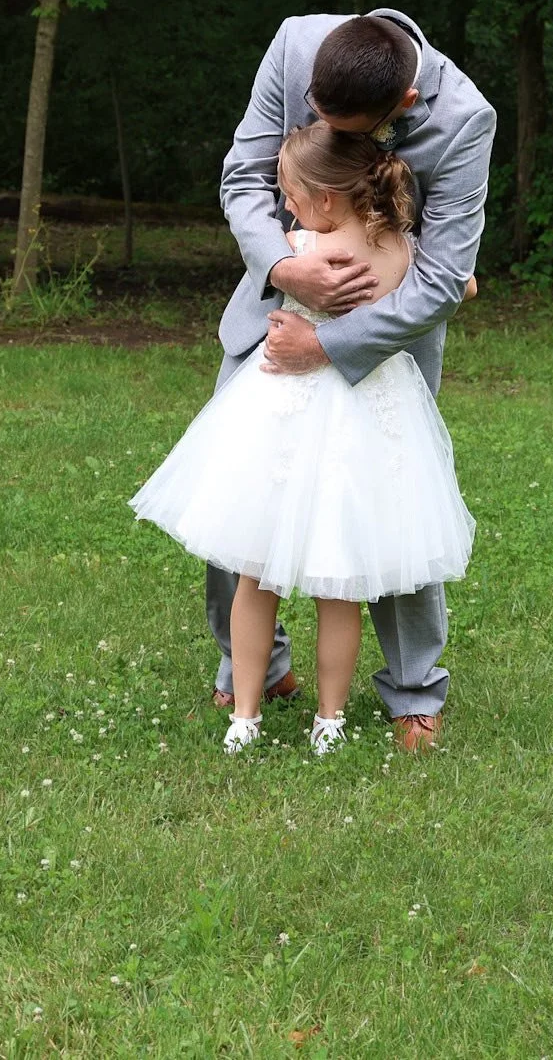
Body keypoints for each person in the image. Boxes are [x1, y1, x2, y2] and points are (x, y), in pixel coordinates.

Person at [131, 125, 476, 754]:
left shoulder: (300, 246)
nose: (284, 205)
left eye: (289, 194)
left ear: (323, 199)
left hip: (284, 415)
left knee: (255, 573)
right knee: (338, 584)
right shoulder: (403, 251)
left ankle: (245, 714)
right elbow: (463, 287)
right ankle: (330, 720)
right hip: (371, 409)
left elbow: (265, 272)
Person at [205, 9, 495, 751]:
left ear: (403, 105)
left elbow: (442, 279)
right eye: (316, 115)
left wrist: (328, 342)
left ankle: (414, 690)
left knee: (390, 509)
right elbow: (243, 177)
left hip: (385, 348)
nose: (325, 133)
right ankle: (254, 669)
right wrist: (285, 265)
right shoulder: (293, 43)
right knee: (235, 497)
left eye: (346, 129)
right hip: (274, 320)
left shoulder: (465, 122)